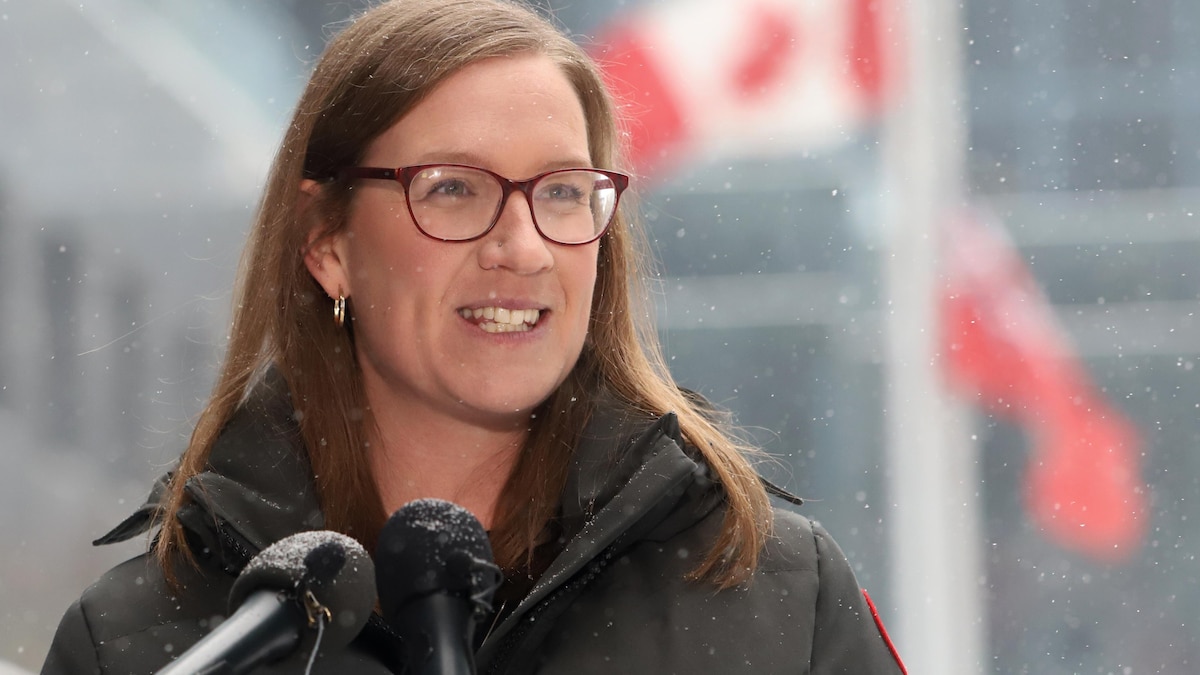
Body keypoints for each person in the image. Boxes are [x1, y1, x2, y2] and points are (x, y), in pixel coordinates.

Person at [42, 0, 907, 673]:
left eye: (563, 192)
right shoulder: (148, 640)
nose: (523, 248)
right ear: (326, 243)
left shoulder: (774, 599)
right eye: (453, 189)